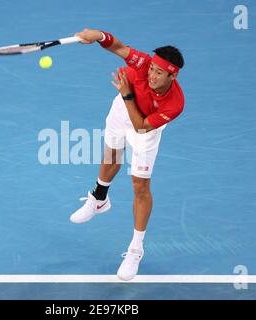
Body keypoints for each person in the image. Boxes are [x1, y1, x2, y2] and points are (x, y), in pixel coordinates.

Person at [70, 28, 185, 281]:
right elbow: (118, 47)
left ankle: (136, 249)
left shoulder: (174, 104)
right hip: (122, 109)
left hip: (144, 126)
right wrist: (98, 35)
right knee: (111, 153)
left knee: (140, 185)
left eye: (159, 73)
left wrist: (128, 94)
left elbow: (141, 126)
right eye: (152, 69)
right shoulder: (144, 63)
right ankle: (99, 199)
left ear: (172, 76)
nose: (152, 75)